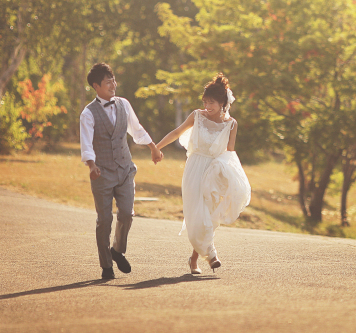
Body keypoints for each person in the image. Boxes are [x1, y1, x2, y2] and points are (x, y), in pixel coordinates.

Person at [155, 73, 251, 274]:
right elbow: (176, 132)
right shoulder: (197, 116)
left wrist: (231, 177)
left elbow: (230, 152)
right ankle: (212, 254)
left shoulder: (231, 124)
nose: (207, 106)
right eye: (205, 101)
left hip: (214, 172)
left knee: (208, 215)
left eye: (212, 102)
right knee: (196, 215)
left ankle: (194, 259)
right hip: (194, 168)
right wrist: (157, 147)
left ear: (223, 103)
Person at [79, 62, 162, 280]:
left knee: (126, 214)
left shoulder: (123, 104)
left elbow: (137, 129)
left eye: (113, 80)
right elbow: (86, 143)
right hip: (102, 173)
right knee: (104, 220)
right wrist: (91, 165)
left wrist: (153, 147)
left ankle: (117, 250)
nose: (113, 85)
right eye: (108, 82)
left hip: (125, 170)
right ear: (96, 86)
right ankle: (106, 265)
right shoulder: (88, 114)